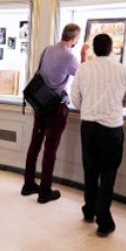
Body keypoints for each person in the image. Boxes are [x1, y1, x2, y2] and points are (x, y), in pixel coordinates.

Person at [71, 34, 126, 237]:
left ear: (93, 50)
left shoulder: (83, 68)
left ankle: (89, 211)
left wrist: (89, 108)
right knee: (108, 173)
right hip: (111, 128)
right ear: (111, 50)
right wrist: (115, 105)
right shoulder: (123, 70)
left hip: (89, 126)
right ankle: (103, 220)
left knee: (90, 170)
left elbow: (75, 99)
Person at [22, 23, 88, 203]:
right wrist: (83, 55)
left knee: (35, 144)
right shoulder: (69, 57)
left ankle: (28, 184)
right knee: (50, 149)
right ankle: (45, 191)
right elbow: (84, 75)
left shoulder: (47, 50)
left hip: (40, 105)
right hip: (55, 109)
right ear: (74, 39)